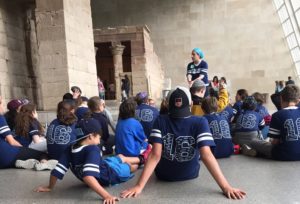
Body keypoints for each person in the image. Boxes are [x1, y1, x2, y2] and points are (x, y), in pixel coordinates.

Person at [120, 87, 245, 199]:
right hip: (190, 174)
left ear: (168, 105)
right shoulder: (200, 122)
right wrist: (226, 187)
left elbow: (155, 155)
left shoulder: (160, 120)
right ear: (190, 104)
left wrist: (139, 186)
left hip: (164, 175)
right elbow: (206, 155)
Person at [35, 118, 139, 204]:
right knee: (132, 167)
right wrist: (107, 196)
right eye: (99, 137)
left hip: (104, 165)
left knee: (118, 158)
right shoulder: (93, 149)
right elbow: (88, 176)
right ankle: (140, 160)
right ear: (90, 136)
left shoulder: (69, 148)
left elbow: (57, 171)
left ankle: (137, 158)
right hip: (112, 174)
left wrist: (50, 187)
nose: (99, 141)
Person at [243, 85, 300, 160]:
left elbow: (274, 142)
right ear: (298, 100)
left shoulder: (277, 115)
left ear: (281, 98)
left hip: (283, 155)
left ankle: (256, 152)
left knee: (254, 142)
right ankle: (258, 153)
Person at [0, 96, 53, 170]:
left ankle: (23, 161)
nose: (2, 106)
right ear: (32, 113)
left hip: (12, 148)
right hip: (12, 151)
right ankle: (43, 163)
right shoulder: (32, 121)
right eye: (1, 103)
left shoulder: (17, 120)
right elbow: (36, 141)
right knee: (47, 148)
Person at [115, 98, 150, 164]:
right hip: (133, 154)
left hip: (119, 153)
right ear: (134, 111)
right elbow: (143, 139)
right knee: (149, 145)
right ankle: (140, 159)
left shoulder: (119, 122)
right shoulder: (135, 123)